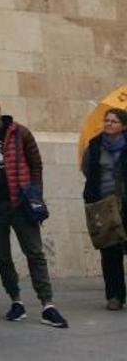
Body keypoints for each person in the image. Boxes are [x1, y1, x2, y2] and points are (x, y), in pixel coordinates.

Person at [0, 94, 68, 328]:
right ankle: (16, 301)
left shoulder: (19, 132)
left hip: (21, 203)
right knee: (3, 257)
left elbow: (36, 163)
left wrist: (35, 194)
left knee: (35, 253)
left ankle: (47, 304)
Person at [81, 108, 127, 310]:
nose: (108, 124)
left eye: (114, 121)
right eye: (106, 120)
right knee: (110, 251)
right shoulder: (94, 145)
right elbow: (87, 169)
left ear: (123, 126)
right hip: (104, 204)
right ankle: (115, 296)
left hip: (125, 203)